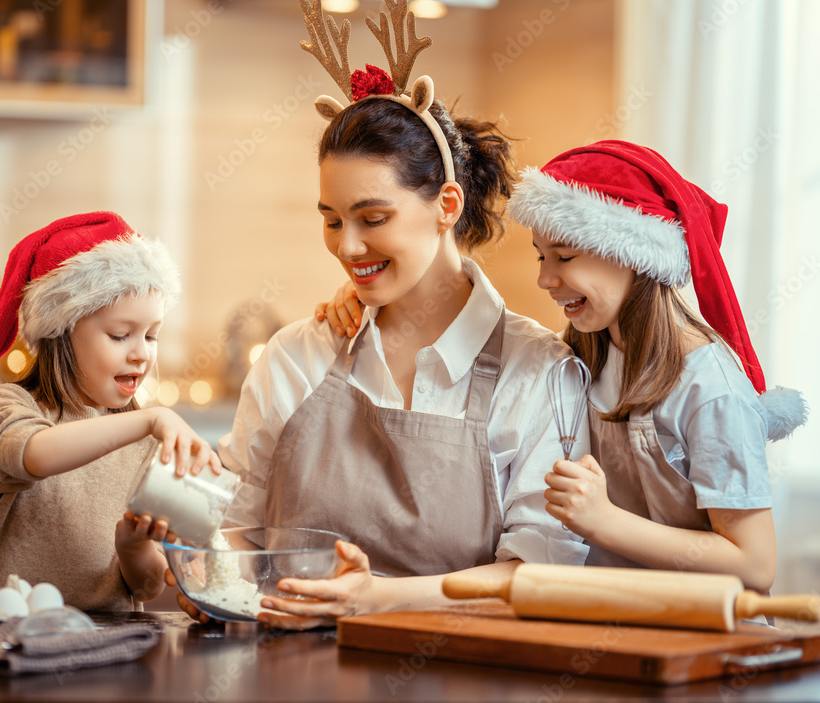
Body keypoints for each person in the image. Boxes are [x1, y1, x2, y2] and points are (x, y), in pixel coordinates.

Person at [180, 1, 590, 631]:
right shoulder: (297, 355)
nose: (346, 247)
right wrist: (194, 574)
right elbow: (237, 536)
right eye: (331, 219)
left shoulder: (538, 371)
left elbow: (539, 574)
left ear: (446, 204)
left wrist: (379, 600)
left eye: (373, 219)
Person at [504, 140, 808, 591]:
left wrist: (604, 522)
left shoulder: (709, 388)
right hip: (616, 627)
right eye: (541, 255)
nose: (545, 279)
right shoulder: (584, 353)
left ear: (633, 253)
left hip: (703, 641)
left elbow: (756, 565)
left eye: (564, 256)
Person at [0, 211, 221, 611]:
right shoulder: (7, 406)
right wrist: (149, 419)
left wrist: (133, 546)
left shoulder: (141, 442)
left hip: (103, 647)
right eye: (120, 335)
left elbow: (148, 585)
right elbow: (34, 454)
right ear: (62, 332)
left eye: (151, 335)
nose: (141, 353)